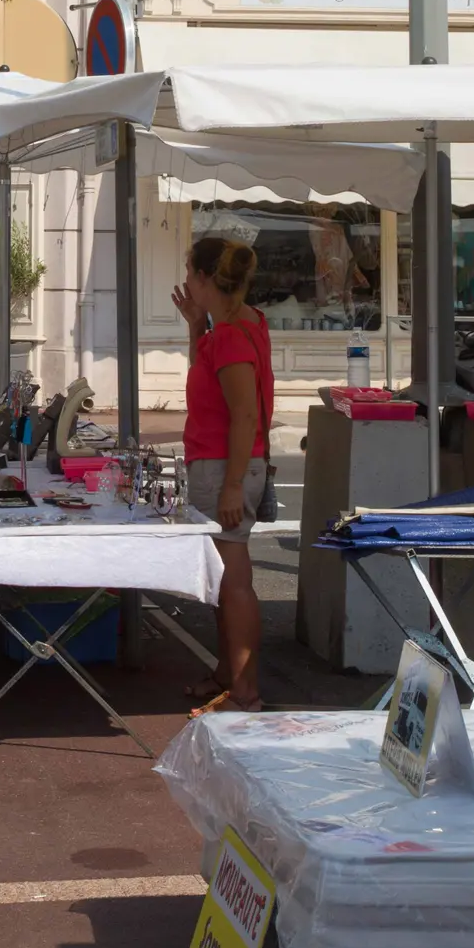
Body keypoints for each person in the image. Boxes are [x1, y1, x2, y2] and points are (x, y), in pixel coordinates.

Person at [173, 233, 274, 714]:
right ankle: (229, 674)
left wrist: (234, 482)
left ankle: (245, 692)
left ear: (205, 277)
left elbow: (245, 415)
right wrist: (197, 326)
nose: (186, 281)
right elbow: (208, 377)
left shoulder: (232, 335)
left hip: (224, 466)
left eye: (190, 272)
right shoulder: (236, 325)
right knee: (224, 579)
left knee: (233, 581)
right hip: (222, 464)